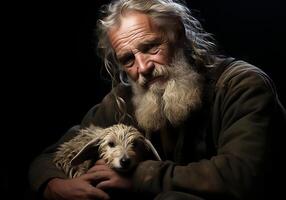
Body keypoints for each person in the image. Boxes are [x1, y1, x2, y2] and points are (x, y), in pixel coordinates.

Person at [28, 0, 286, 199]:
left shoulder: (242, 85)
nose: (142, 67)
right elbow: (47, 158)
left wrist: (138, 176)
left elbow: (242, 175)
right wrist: (54, 186)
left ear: (178, 33)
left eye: (151, 47)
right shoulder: (123, 101)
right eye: (128, 60)